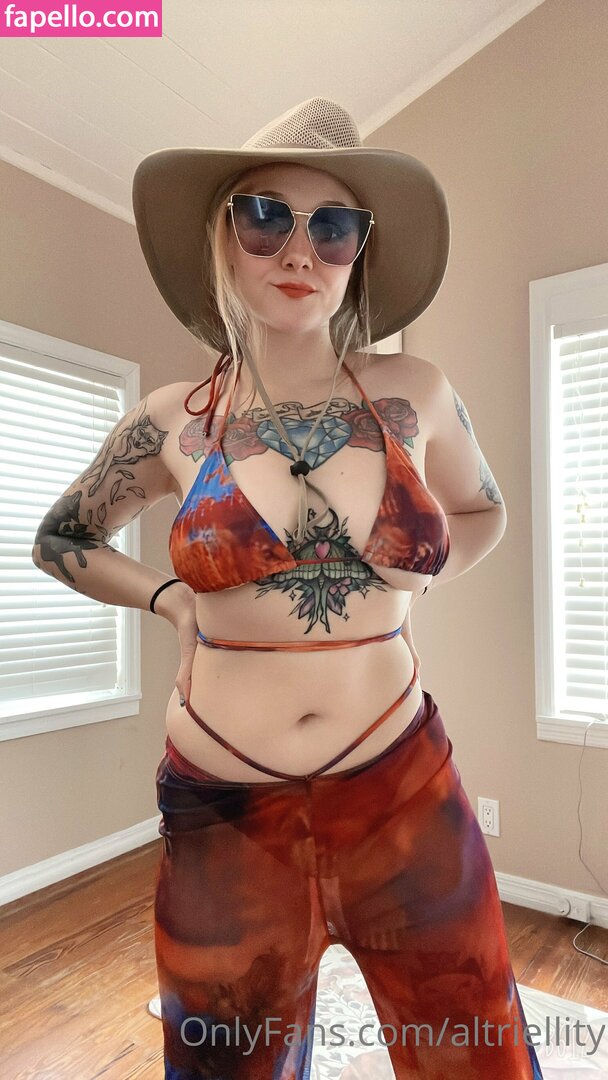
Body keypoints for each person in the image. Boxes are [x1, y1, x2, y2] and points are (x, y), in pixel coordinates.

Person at [33, 98, 544, 1079]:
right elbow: (61, 538)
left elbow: (483, 512)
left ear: (359, 251)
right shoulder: (171, 422)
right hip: (225, 815)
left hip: (401, 788)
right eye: (265, 216)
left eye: (333, 225)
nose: (300, 250)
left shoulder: (416, 393)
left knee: (474, 1053)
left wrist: (423, 573)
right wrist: (170, 601)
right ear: (222, 238)